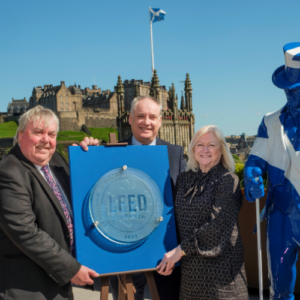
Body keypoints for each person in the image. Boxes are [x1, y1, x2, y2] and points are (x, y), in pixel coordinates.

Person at [0, 106, 99, 300]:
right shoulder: (9, 173)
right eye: (38, 132)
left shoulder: (56, 161)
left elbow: (83, 196)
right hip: (27, 288)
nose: (46, 140)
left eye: (52, 134)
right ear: (20, 136)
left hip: (56, 286)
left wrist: (91, 158)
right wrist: (71, 269)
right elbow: (26, 233)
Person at [100, 95, 186, 300]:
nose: (146, 122)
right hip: (123, 251)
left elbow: (183, 202)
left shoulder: (174, 153)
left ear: (160, 121)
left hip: (163, 251)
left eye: (152, 117)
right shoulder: (109, 153)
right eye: (140, 116)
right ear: (129, 119)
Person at [157, 125, 248, 300]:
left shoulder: (229, 181)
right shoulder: (184, 179)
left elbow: (218, 228)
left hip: (221, 277)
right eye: (200, 144)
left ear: (221, 149)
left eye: (212, 145)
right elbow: (171, 220)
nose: (205, 150)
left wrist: (178, 252)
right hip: (190, 275)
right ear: (192, 149)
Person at [244, 42, 300, 300]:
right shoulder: (270, 121)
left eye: (298, 89)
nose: (293, 95)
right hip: (282, 212)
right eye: (289, 89)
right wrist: (252, 175)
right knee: (279, 282)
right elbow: (256, 159)